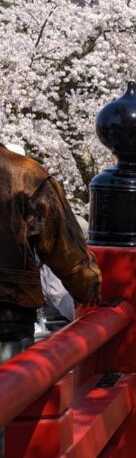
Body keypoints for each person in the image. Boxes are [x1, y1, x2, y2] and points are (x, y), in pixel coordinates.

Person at [0, 143, 102, 361]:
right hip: (9, 309)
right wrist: (90, 289)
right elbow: (66, 252)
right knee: (8, 390)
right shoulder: (26, 174)